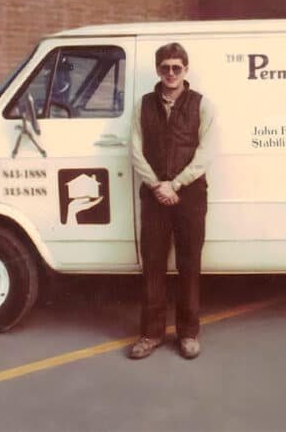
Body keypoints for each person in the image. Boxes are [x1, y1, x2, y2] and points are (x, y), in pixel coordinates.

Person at [128, 42, 215, 360]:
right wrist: (156, 185)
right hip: (154, 196)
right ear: (158, 70)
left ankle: (188, 334)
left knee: (189, 265)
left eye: (177, 67)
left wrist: (175, 184)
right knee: (152, 265)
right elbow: (135, 149)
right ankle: (150, 335)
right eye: (165, 67)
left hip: (189, 195)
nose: (171, 73)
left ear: (186, 69)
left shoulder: (202, 105)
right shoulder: (143, 105)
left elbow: (206, 154)